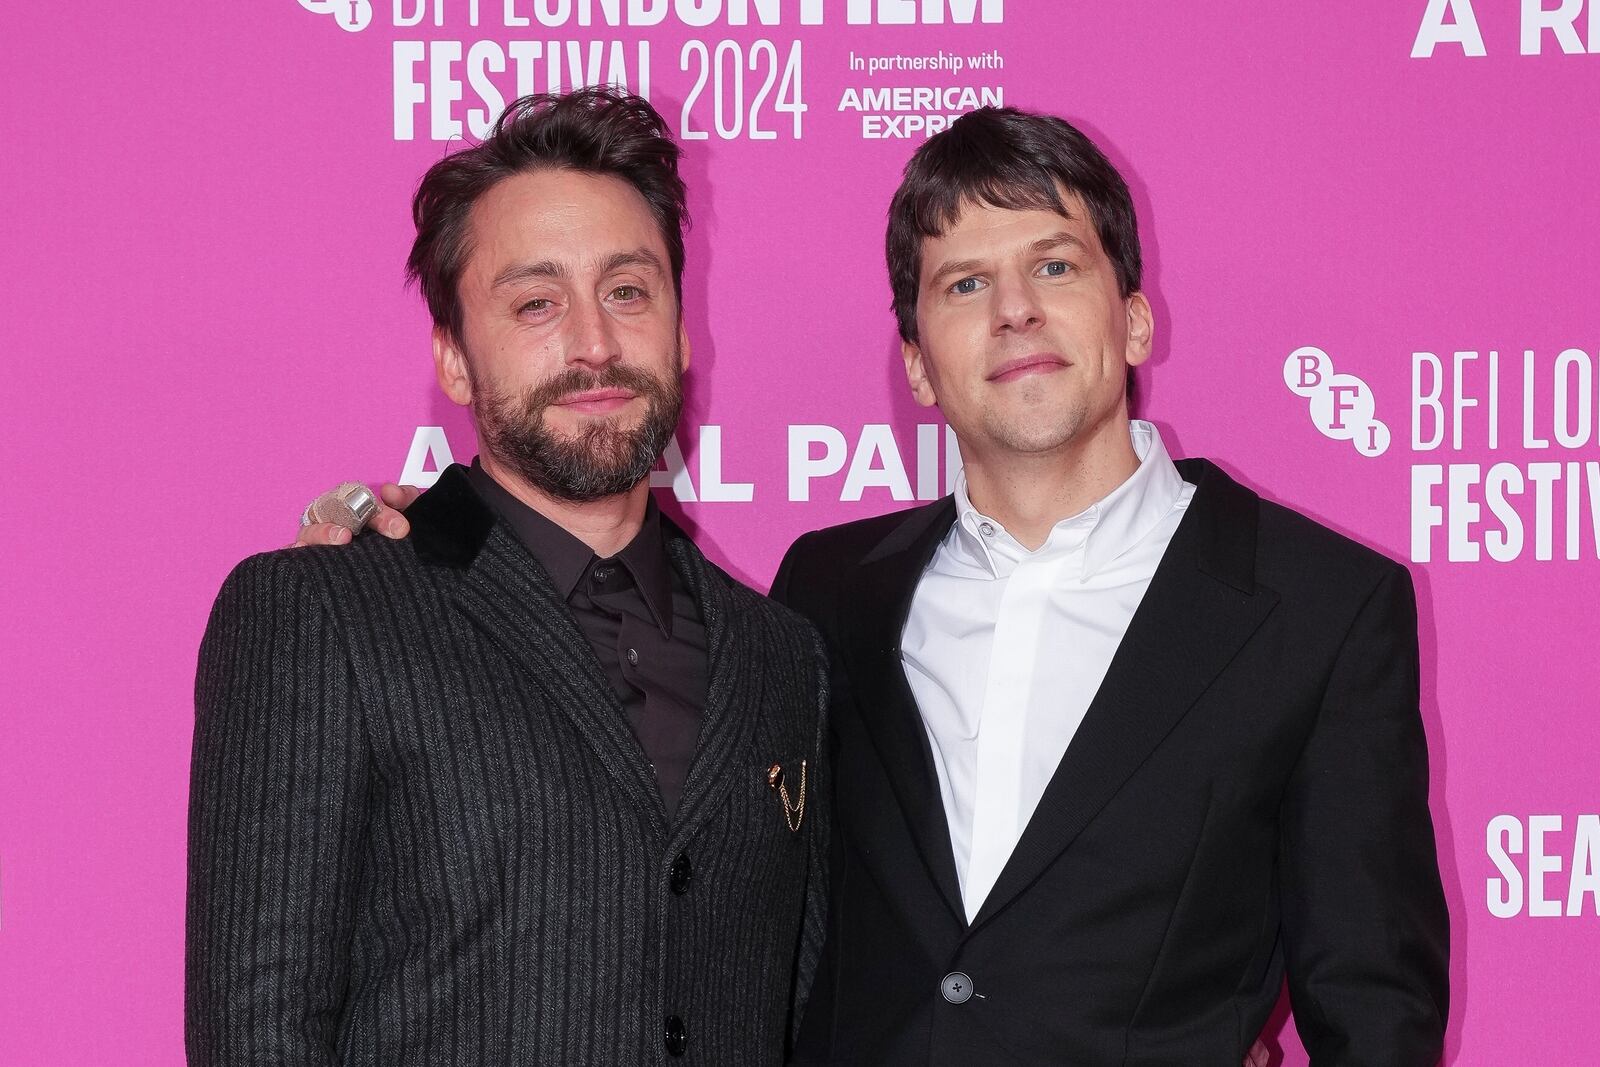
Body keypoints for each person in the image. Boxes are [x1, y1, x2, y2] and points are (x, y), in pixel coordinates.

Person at [301, 105, 1449, 1064]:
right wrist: (409, 543)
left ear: (1134, 314)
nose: (1014, 312)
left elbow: (1376, 1007)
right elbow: (602, 616)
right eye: (961, 285)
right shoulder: (823, 593)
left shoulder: (1321, 606)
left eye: (1054, 265)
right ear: (915, 363)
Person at [188, 87, 829, 1066]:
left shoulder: (785, 655)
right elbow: (257, 1037)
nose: (595, 343)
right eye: (536, 302)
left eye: (628, 289)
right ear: (452, 354)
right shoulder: (325, 607)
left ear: (682, 328)